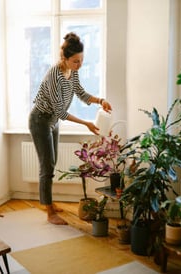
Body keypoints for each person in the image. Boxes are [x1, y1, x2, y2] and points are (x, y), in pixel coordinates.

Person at [29, 32, 112, 225]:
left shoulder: (72, 71)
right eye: (75, 61)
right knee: (47, 166)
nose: (79, 65)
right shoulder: (54, 76)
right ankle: (50, 212)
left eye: (81, 60)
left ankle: (49, 203)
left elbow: (81, 93)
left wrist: (101, 100)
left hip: (52, 121)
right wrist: (87, 124)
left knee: (52, 162)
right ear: (64, 59)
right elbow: (60, 112)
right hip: (40, 121)